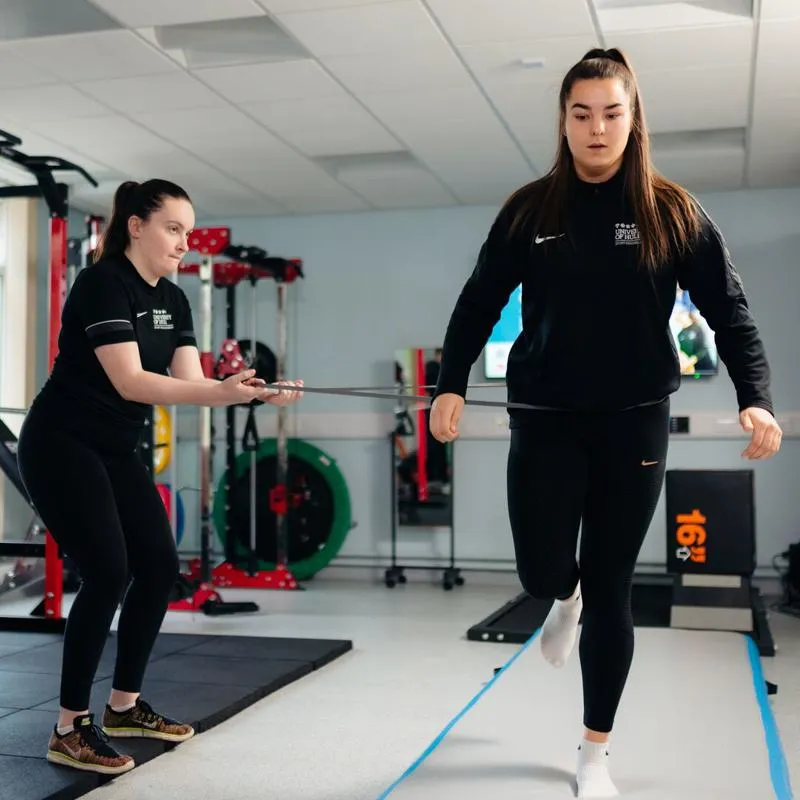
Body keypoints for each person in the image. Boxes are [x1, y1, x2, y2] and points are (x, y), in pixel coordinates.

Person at [429, 48, 782, 798]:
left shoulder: (672, 211)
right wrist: (449, 384)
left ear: (633, 119)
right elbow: (476, 302)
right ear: (564, 120)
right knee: (542, 570)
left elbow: (730, 312)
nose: (597, 128)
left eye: (611, 113)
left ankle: (594, 752)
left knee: (613, 584)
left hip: (633, 426)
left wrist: (755, 395)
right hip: (545, 418)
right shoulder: (531, 210)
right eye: (582, 113)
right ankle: (564, 596)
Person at [16, 179, 303, 775]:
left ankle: (123, 707)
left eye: (188, 231)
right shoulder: (101, 285)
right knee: (108, 570)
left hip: (117, 447)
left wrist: (253, 394)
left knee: (159, 567)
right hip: (62, 443)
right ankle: (69, 727)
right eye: (173, 228)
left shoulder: (173, 299)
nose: (183, 242)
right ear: (136, 226)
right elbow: (133, 383)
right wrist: (223, 393)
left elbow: (191, 381)